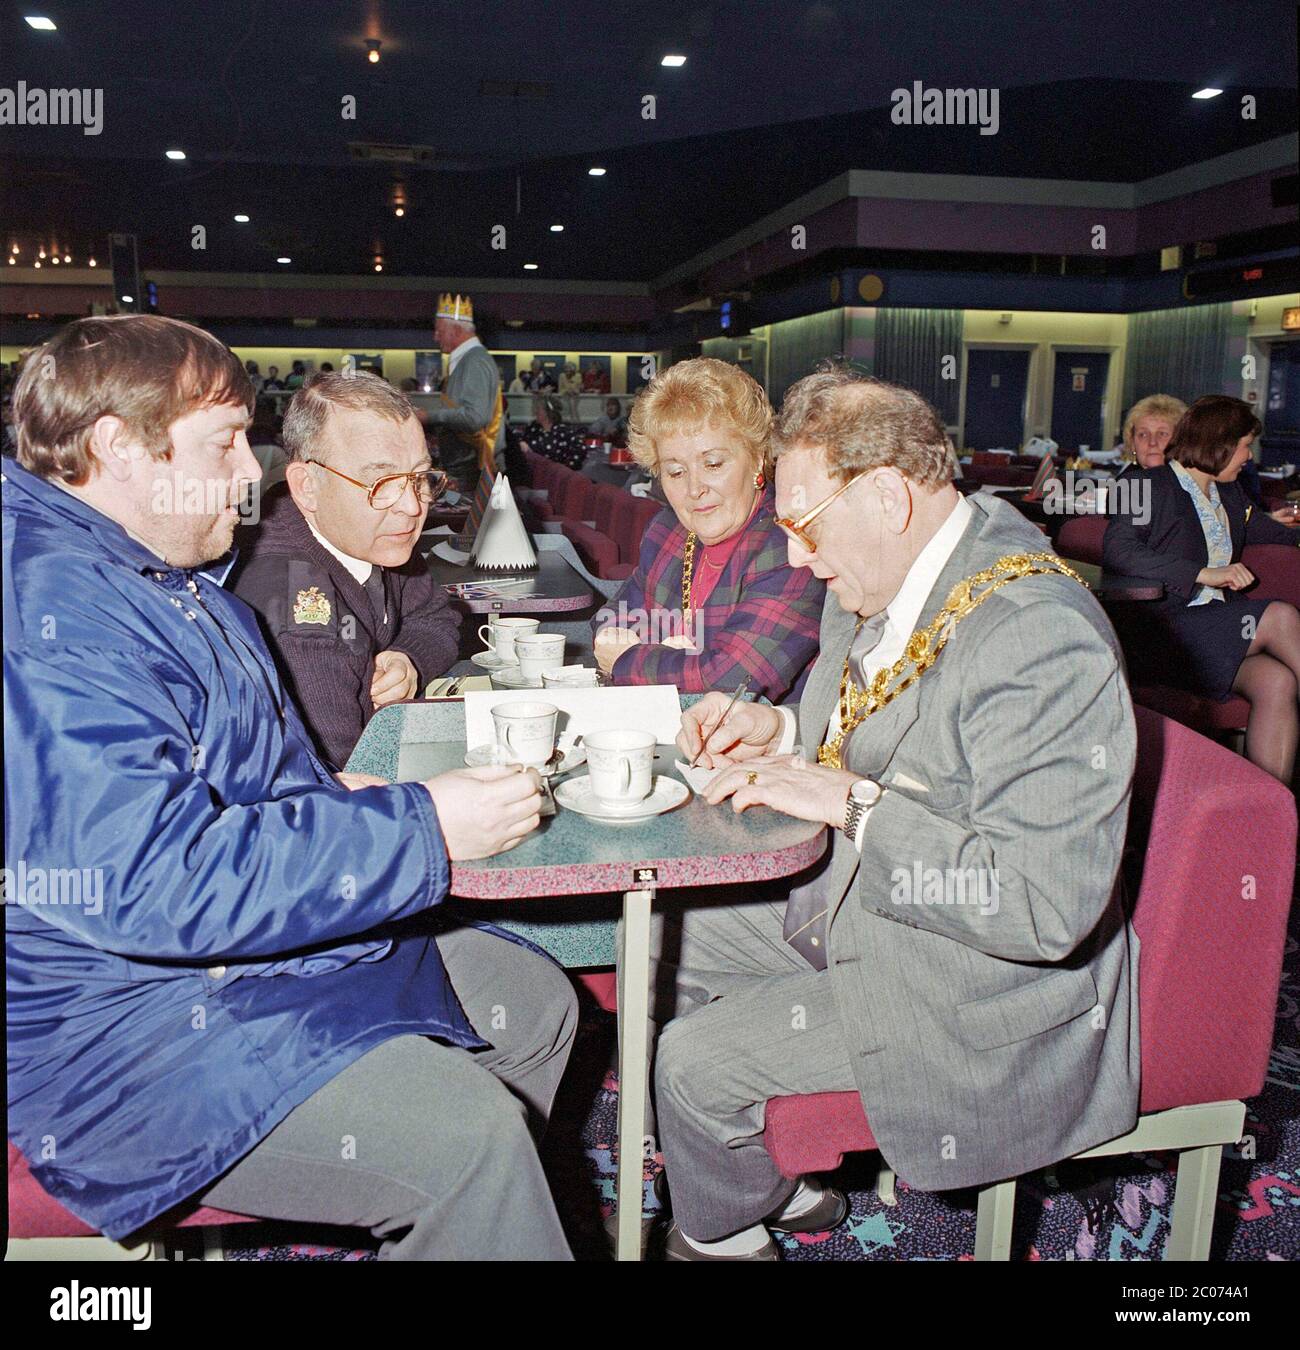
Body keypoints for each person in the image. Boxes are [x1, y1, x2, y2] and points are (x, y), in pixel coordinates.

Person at [4, 314, 576, 1260]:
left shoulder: (142, 569)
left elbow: (224, 783)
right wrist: (421, 828)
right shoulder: (51, 614)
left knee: (533, 1002)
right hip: (121, 1029)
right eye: (225, 442)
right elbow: (151, 884)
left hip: (226, 967)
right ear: (116, 447)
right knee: (471, 1139)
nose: (247, 473)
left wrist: (329, 798)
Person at [644, 363, 1138, 1260]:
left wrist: (849, 800)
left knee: (690, 1065)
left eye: (801, 525)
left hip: (982, 982)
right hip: (866, 904)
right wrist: (778, 726)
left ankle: (719, 1232)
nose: (793, 554)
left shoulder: (1037, 634)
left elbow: (1043, 906)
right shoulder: (879, 569)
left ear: (884, 495)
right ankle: (774, 1180)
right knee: (663, 938)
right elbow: (861, 719)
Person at [229, 372, 460, 768]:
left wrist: (409, 659)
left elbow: (437, 614)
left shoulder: (367, 536)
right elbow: (345, 781)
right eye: (381, 482)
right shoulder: (296, 613)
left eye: (419, 478)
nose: (412, 506)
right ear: (307, 486)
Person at [592, 358, 823, 704]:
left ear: (758, 458)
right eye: (675, 472)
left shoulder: (789, 545)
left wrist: (628, 659)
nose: (694, 488)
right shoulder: (667, 530)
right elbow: (610, 619)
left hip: (760, 748)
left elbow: (730, 677)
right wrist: (664, 655)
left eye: (713, 464)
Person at [1104, 394, 1300, 783]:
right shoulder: (1145, 483)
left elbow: (1269, 531)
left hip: (1215, 630)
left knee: (1277, 681)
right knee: (1280, 616)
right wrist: (1203, 573)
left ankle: (1269, 811)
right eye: (1245, 446)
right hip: (1164, 630)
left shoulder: (1226, 492)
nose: (1248, 456)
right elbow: (1119, 551)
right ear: (1221, 444)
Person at [422, 293, 505, 495]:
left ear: (456, 330)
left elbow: (475, 417)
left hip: (471, 470)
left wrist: (429, 417)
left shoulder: (474, 361)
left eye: (439, 330)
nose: (435, 336)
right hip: (467, 468)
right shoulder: (469, 360)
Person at [518, 393, 588, 471]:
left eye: (538, 409)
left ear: (547, 413)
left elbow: (580, 450)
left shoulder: (563, 432)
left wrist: (564, 469)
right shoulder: (532, 427)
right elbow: (519, 440)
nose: (535, 412)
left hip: (554, 476)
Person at [1118, 393, 1186, 470]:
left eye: (1162, 434)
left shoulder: (1195, 480)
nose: (1152, 443)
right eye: (1143, 435)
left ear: (1181, 441)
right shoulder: (1127, 480)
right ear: (1133, 444)